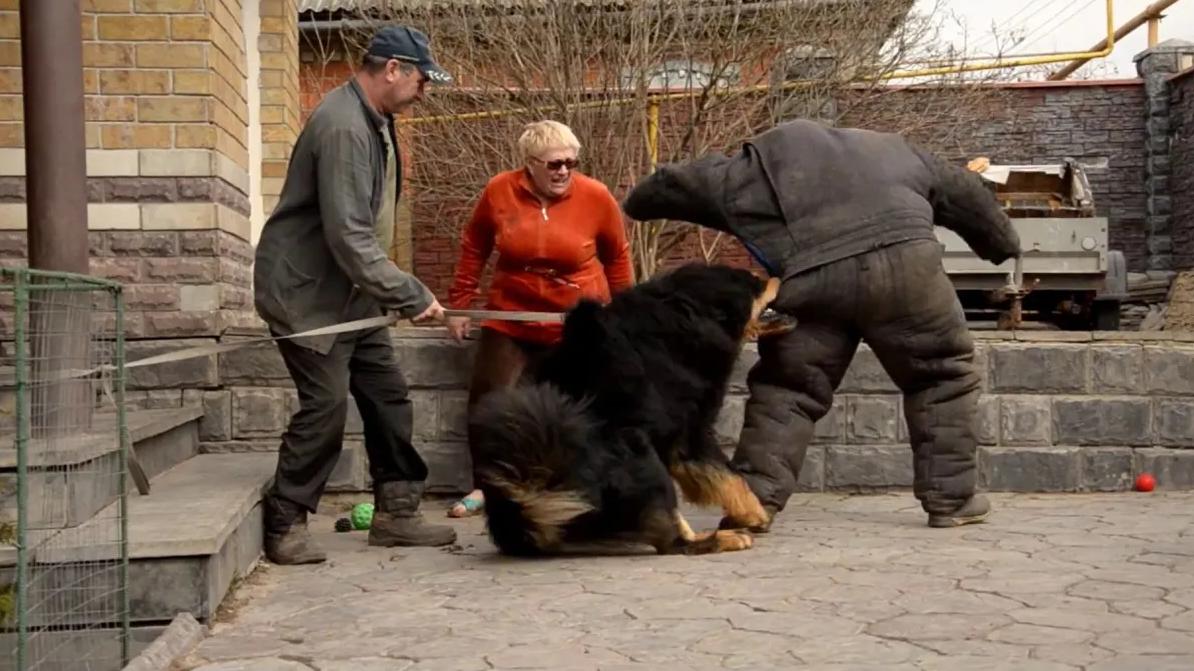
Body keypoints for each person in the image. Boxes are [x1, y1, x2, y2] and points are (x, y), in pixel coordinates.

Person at [620, 118, 1021, 530]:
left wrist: (636, 204)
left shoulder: (753, 167)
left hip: (815, 282)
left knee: (787, 390)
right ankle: (952, 501)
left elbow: (672, 185)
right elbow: (969, 194)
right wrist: (1002, 246)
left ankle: (754, 502)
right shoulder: (900, 151)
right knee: (942, 376)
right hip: (910, 276)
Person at [253, 25, 459, 565]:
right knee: (325, 406)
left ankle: (397, 513)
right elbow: (348, 234)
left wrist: (389, 291)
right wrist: (410, 293)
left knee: (388, 395)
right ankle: (286, 521)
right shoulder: (344, 127)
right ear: (392, 68)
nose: (423, 92)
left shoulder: (377, 120)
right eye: (420, 80)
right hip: (307, 296)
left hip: (350, 294)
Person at [443, 119, 636, 517]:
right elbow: (474, 246)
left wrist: (625, 315)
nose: (564, 171)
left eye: (571, 162)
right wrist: (460, 304)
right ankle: (487, 486)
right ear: (529, 164)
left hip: (578, 319)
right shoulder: (500, 191)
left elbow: (617, 257)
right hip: (513, 313)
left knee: (585, 402)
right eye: (554, 164)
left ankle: (585, 484)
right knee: (491, 400)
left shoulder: (596, 197)